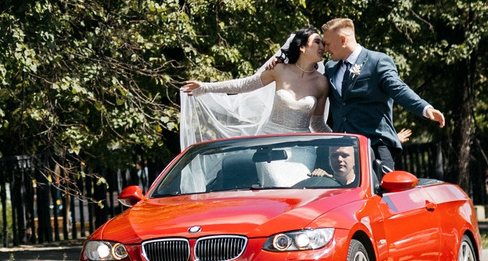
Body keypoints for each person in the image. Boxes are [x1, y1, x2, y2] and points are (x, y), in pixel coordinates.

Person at [316, 17, 444, 190]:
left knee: (383, 198)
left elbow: (398, 88)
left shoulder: (377, 61)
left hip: (375, 145)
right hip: (342, 151)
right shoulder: (330, 67)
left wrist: (424, 108)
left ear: (343, 40)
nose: (325, 49)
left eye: (328, 43)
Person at [179, 28, 328, 145]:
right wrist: (205, 87)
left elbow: (318, 124)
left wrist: (346, 141)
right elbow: (245, 84)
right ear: (302, 47)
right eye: (317, 42)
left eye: (322, 43)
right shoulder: (279, 69)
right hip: (271, 140)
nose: (323, 46)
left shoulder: (321, 82)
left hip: (301, 145)